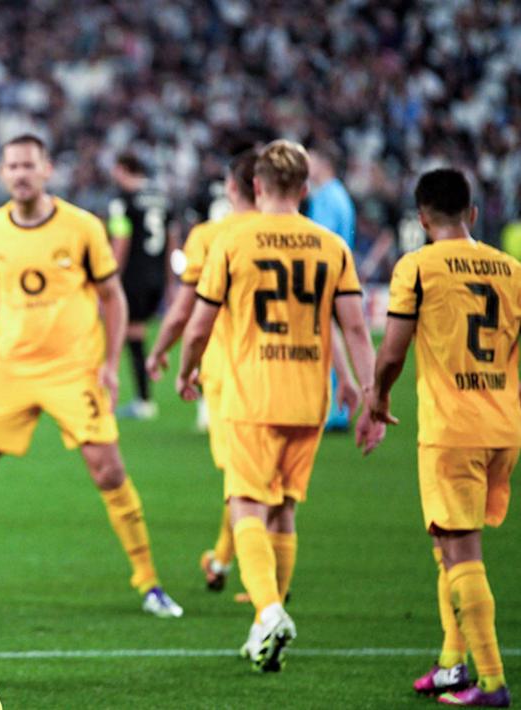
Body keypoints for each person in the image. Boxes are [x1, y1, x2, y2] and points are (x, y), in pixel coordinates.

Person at [0, 134, 183, 619]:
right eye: (12, 166)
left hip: (73, 370)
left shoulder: (82, 227)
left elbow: (112, 297)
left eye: (29, 165)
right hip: (10, 370)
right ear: (2, 174)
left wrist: (110, 363)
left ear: (47, 170)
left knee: (109, 471)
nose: (21, 174)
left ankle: (149, 582)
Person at [176, 140, 382, 672]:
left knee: (245, 502)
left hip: (252, 391)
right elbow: (355, 328)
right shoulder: (331, 245)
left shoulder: (231, 240)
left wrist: (187, 367)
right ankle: (263, 625)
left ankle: (268, 611)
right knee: (284, 507)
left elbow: (198, 325)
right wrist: (370, 392)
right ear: (306, 188)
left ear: (257, 185)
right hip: (309, 396)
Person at [361, 168, 518, 707]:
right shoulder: (512, 270)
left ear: (423, 219)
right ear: (472, 214)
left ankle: (492, 683)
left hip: (454, 428)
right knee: (446, 544)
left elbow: (392, 352)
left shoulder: (418, 266)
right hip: (503, 427)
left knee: (462, 549)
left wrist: (379, 398)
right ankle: (453, 664)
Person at [146, 149, 259, 593]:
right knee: (268, 480)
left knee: (242, 478)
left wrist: (163, 352)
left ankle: (256, 580)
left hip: (229, 368)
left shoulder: (211, 236)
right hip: (290, 371)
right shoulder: (299, 236)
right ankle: (231, 560)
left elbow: (185, 311)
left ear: (232, 187)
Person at [108, 153, 174, 421]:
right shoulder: (161, 197)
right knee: (140, 331)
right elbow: (172, 237)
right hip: (156, 274)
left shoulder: (122, 200)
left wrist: (110, 275)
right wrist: (170, 280)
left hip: (133, 275)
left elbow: (121, 238)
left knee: (132, 334)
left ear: (123, 169)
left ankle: (143, 401)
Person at [306, 143, 358, 431]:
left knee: (326, 340)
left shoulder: (326, 198)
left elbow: (318, 240)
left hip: (325, 277)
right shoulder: (339, 195)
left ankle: (334, 410)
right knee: (332, 338)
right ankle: (338, 408)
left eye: (311, 159)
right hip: (339, 275)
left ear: (324, 162)